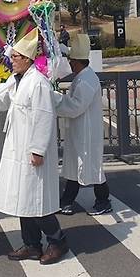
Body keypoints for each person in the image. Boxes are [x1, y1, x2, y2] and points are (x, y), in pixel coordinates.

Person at [0, 28, 68, 265]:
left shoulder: (38, 83)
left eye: (16, 57)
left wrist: (38, 150)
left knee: (37, 200)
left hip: (32, 151)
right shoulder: (15, 80)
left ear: (28, 59)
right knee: (24, 199)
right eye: (12, 56)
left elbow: (43, 116)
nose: (12, 60)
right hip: (18, 148)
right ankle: (32, 244)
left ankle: (57, 241)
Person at [55, 34, 111, 216]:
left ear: (76, 62)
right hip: (80, 130)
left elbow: (75, 106)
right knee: (74, 167)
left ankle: (103, 201)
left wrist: (55, 100)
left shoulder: (86, 79)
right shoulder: (83, 76)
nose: (70, 64)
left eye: (71, 61)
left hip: (87, 132)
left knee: (91, 169)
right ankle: (67, 201)